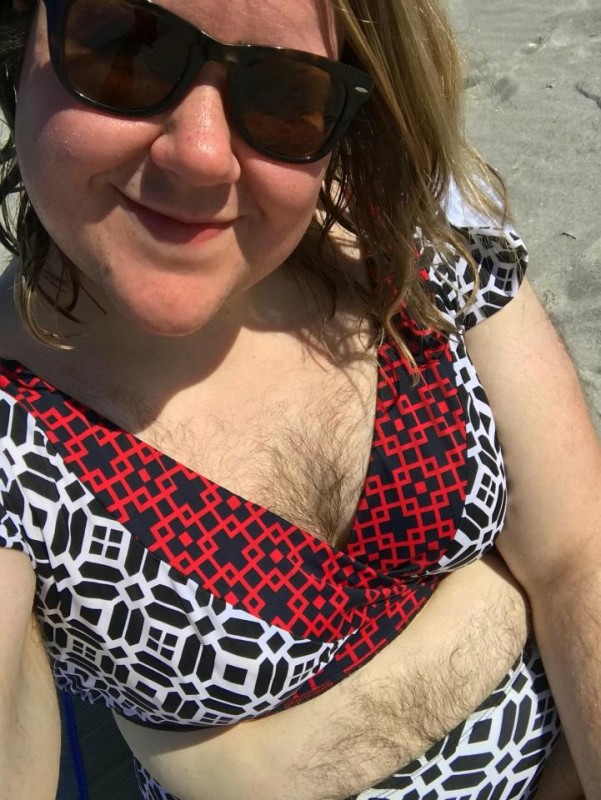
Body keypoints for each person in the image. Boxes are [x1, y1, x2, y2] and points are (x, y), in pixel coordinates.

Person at [0, 0, 599, 798]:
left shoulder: (408, 243)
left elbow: (574, 560)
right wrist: (491, 602)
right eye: (125, 54)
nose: (202, 155)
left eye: (285, 95)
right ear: (17, 45)